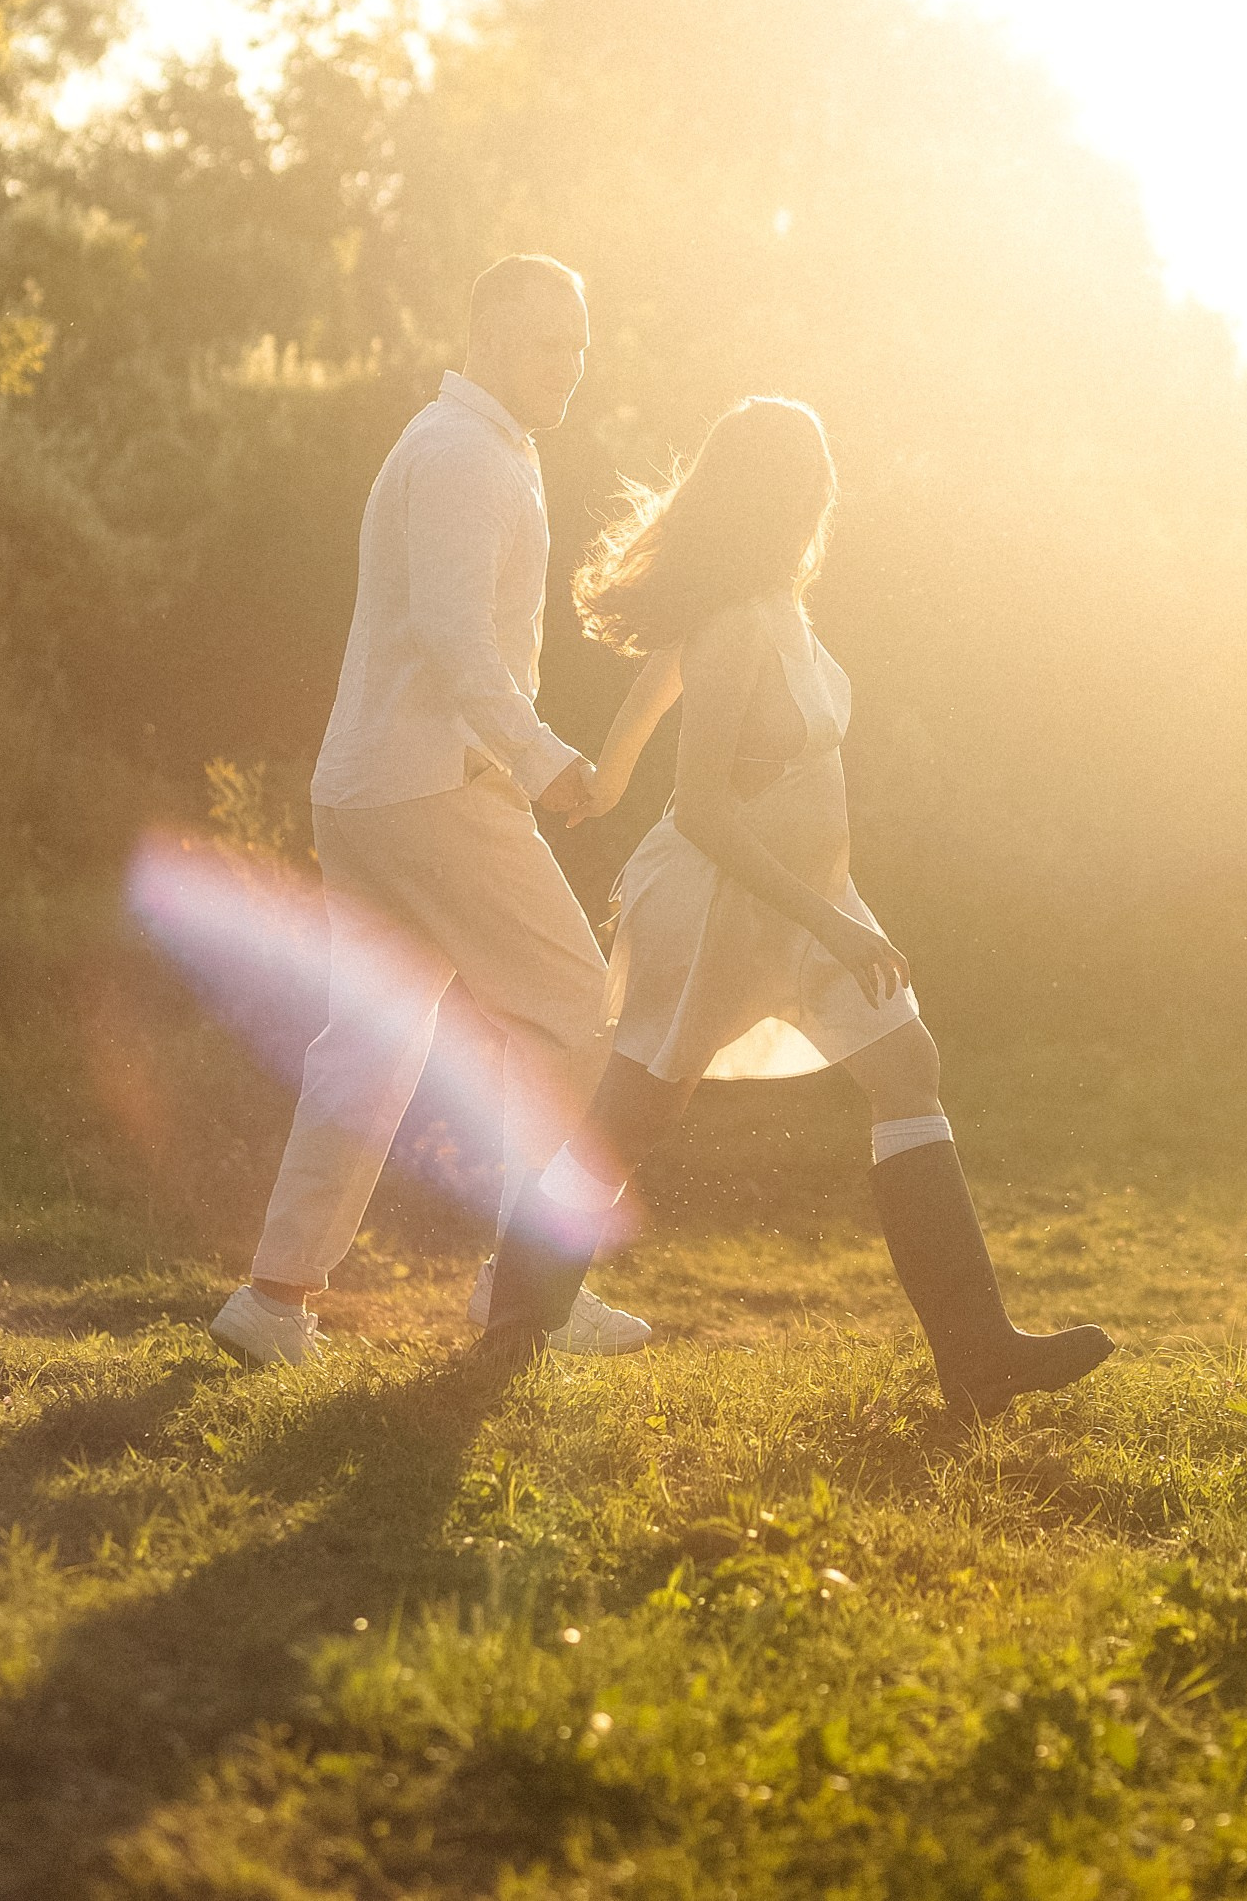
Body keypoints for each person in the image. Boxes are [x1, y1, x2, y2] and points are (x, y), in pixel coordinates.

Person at [478, 393, 1113, 1420]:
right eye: (811, 474)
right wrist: (827, 919)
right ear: (780, 493)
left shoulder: (768, 604)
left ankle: (976, 1352)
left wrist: (605, 775)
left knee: (906, 1066)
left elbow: (655, 683)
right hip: (723, 901)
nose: (825, 491)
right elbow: (704, 809)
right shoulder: (736, 625)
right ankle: (513, 1322)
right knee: (630, 1116)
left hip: (807, 897)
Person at [209, 254, 650, 1368]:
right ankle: (529, 1287)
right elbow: (456, 638)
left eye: (581, 342)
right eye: (551, 341)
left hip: (365, 789)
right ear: (494, 339)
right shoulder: (461, 455)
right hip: (432, 789)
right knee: (573, 1006)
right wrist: (545, 759)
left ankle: (272, 1303)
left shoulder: (471, 446)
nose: (572, 363)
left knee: (369, 1047)